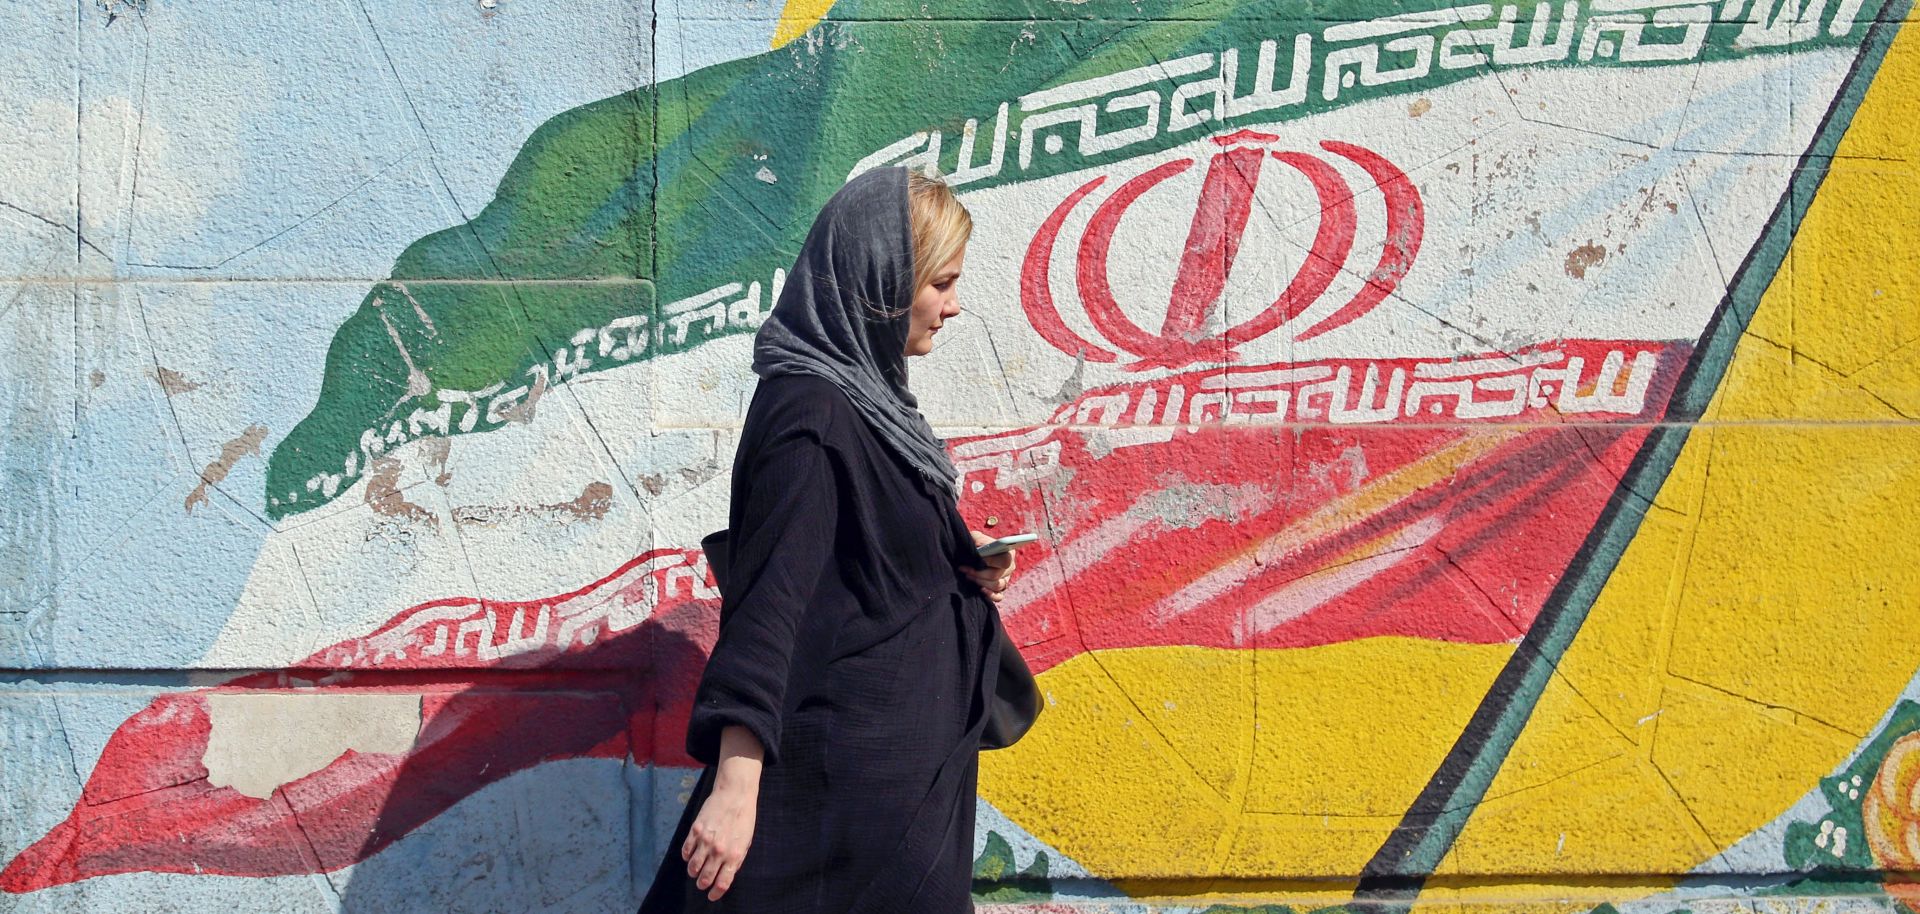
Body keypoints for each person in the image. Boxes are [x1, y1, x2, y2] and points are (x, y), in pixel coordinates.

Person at [638, 166, 1017, 913]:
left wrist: (962, 571)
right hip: (838, 805)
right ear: (881, 280)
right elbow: (769, 606)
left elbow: (861, 568)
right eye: (940, 283)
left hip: (895, 799)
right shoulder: (809, 414)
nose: (954, 305)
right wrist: (736, 789)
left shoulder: (875, 407)